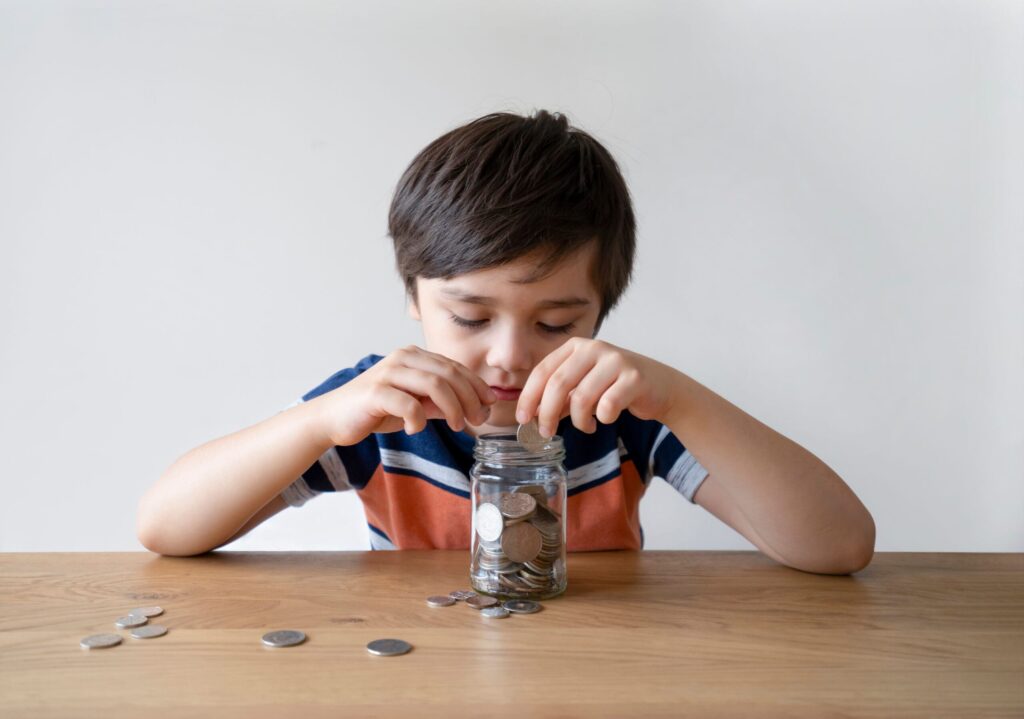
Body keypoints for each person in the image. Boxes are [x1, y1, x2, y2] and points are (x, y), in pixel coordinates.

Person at [137, 110, 875, 574]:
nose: (510, 356)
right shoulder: (382, 411)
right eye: (469, 315)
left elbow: (840, 547)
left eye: (556, 324)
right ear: (414, 296)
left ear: (599, 314)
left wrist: (678, 396)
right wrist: (321, 418)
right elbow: (166, 527)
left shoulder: (615, 407)